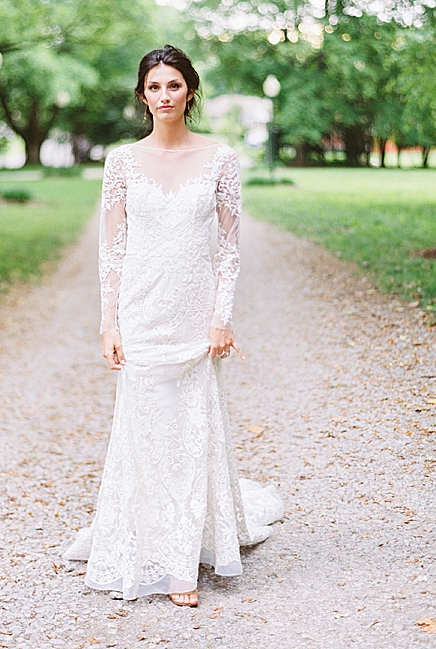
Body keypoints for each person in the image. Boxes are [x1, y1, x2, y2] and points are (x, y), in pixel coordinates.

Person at [62, 45, 282, 607]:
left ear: (190, 91)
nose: (164, 96)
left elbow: (230, 249)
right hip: (140, 313)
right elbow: (112, 250)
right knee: (144, 431)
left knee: (189, 431)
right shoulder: (121, 163)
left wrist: (221, 317)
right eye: (154, 87)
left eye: (174, 86)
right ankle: (141, 538)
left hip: (193, 315)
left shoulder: (220, 160)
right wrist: (107, 323)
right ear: (143, 95)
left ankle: (183, 559)